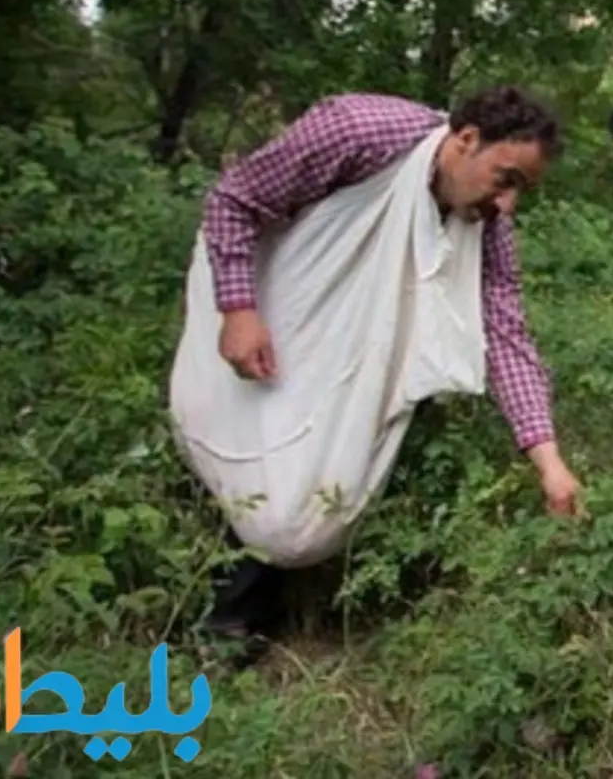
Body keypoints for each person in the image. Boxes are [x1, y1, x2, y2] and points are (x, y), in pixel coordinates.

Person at [188, 86, 584, 649]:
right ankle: (225, 614)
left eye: (523, 190)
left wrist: (549, 463)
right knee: (255, 429)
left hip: (357, 333)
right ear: (466, 141)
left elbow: (505, 334)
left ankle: (304, 583)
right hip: (276, 296)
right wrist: (238, 308)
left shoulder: (487, 222)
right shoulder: (357, 133)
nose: (508, 205)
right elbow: (236, 199)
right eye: (506, 178)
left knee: (331, 438)